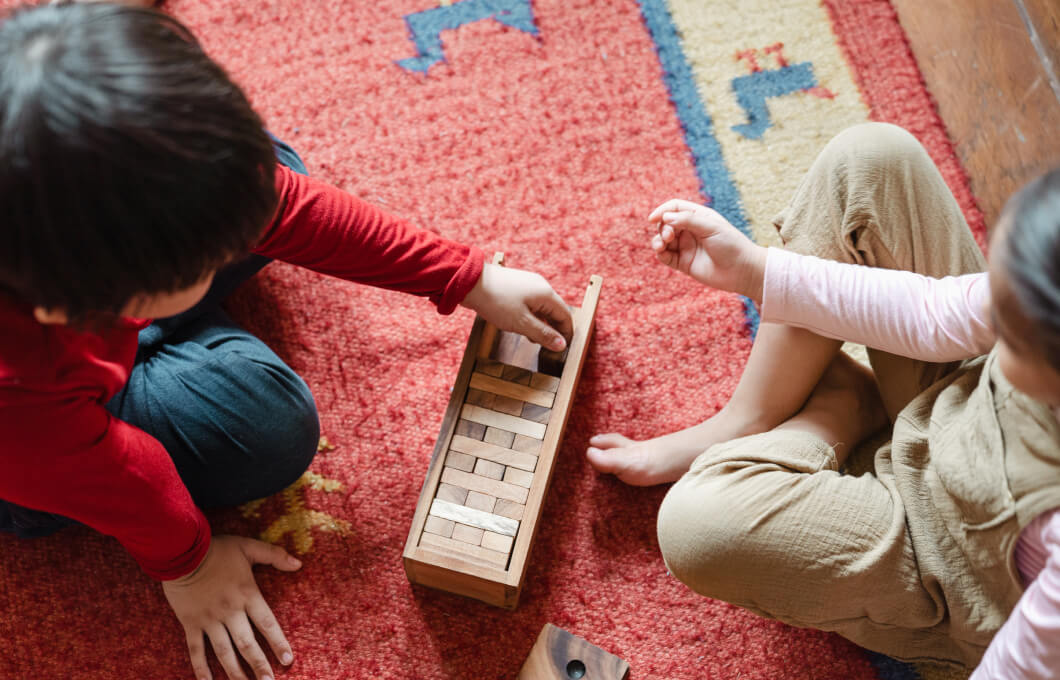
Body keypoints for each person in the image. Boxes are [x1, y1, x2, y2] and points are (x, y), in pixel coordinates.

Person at [0, 4, 572, 680]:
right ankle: (147, 345)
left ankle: (161, 319)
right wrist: (189, 563)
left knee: (268, 171)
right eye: (205, 260)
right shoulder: (22, 394)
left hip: (78, 335)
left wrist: (465, 276)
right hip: (31, 454)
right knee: (266, 432)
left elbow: (285, 205)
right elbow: (120, 478)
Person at [587, 123, 1060, 677]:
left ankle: (845, 409)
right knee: (870, 161)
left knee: (696, 527)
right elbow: (938, 312)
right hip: (952, 414)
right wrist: (755, 269)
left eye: (1009, 324)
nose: (992, 309)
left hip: (949, 568)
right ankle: (747, 420)